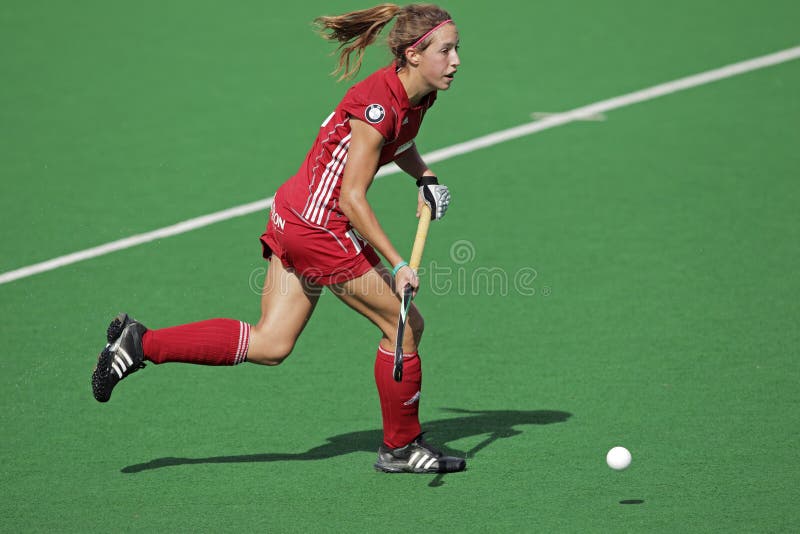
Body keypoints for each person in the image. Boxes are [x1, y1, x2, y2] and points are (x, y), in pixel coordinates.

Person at [91, 3, 464, 474]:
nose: (455, 60)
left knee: (271, 343)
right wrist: (397, 263)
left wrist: (424, 177)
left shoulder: (415, 97)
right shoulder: (378, 107)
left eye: (456, 50)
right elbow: (352, 198)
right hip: (320, 228)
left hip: (292, 212)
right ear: (413, 54)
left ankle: (139, 344)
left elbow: (401, 141)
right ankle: (401, 446)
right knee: (405, 327)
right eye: (445, 50)